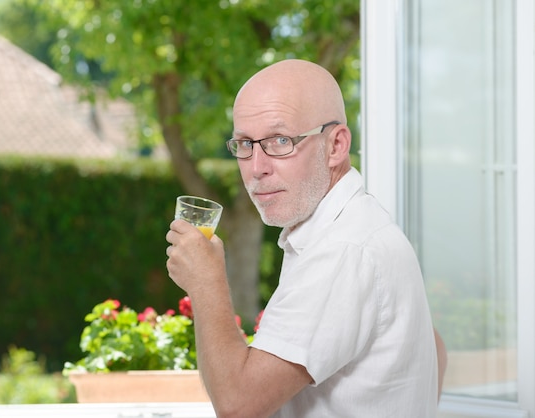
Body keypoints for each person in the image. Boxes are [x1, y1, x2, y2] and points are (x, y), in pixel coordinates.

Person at [166, 59, 442, 417]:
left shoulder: (343, 250)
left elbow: (238, 406)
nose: (257, 167)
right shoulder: (355, 228)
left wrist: (205, 285)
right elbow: (436, 347)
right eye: (245, 143)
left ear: (336, 145)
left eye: (281, 141)